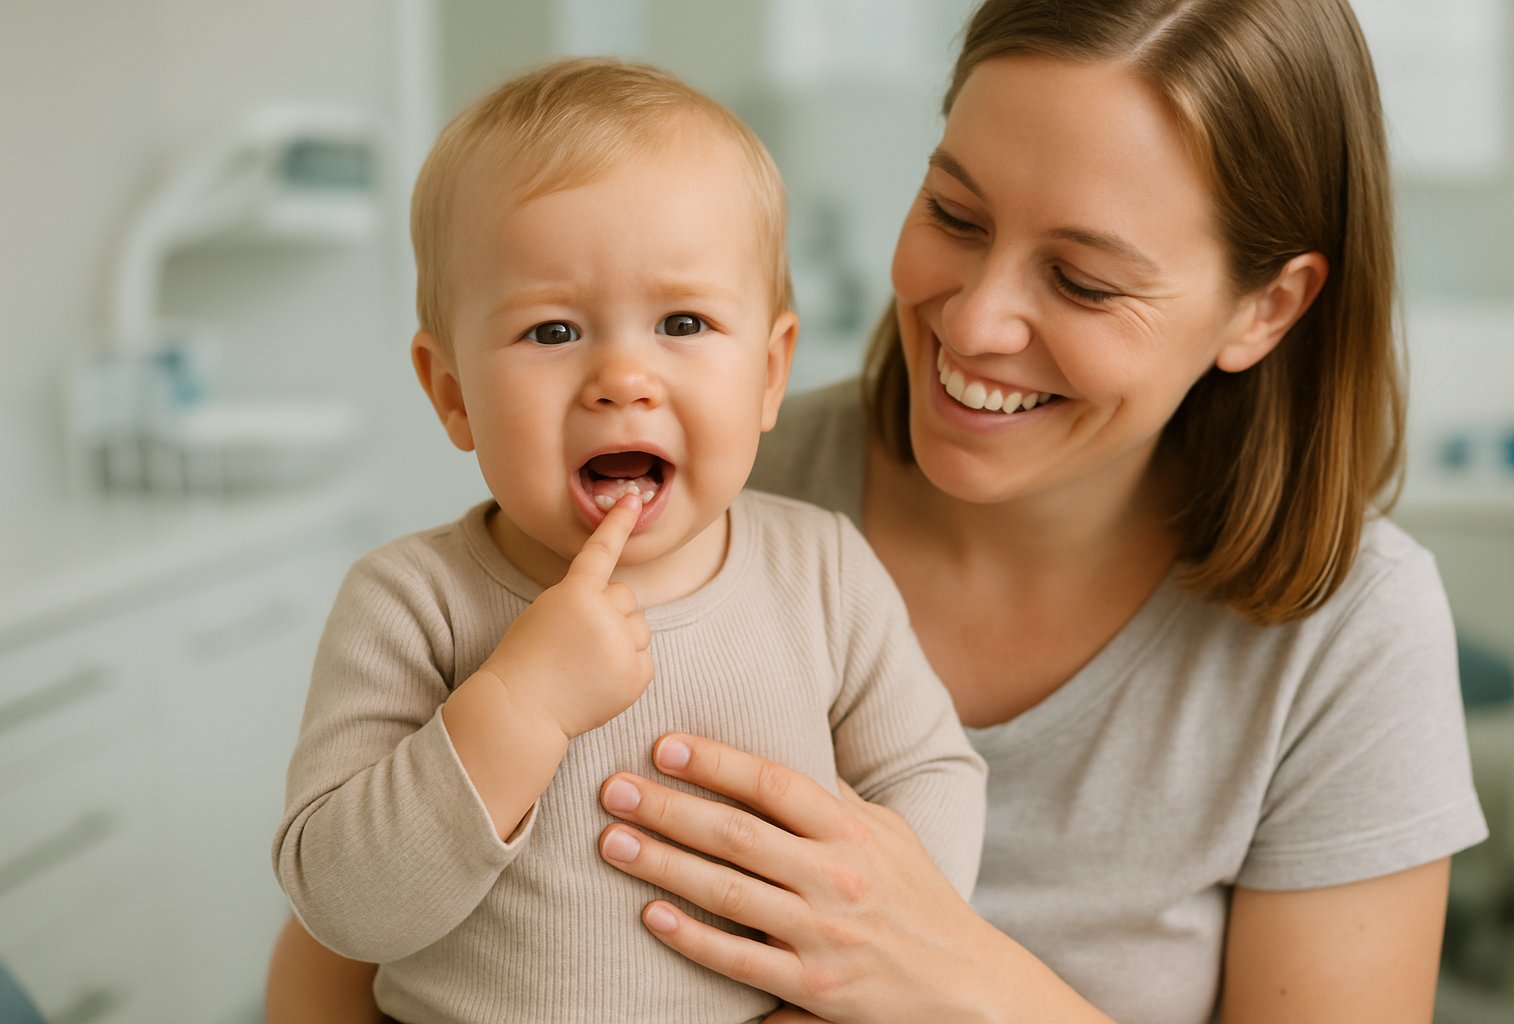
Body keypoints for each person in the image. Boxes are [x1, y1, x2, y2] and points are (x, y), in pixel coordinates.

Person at [268, 1, 1489, 1021]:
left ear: (1264, 310)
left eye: (1082, 278)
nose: (972, 322)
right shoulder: (686, 486)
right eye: (955, 213)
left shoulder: (1351, 634)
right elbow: (343, 946)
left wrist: (946, 973)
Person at [270, 57, 986, 1024]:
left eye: (682, 322)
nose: (623, 378)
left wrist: (845, 983)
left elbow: (930, 780)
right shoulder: (409, 603)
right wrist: (519, 705)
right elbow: (341, 904)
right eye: (553, 331)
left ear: (770, 373)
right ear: (451, 392)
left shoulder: (824, 571)